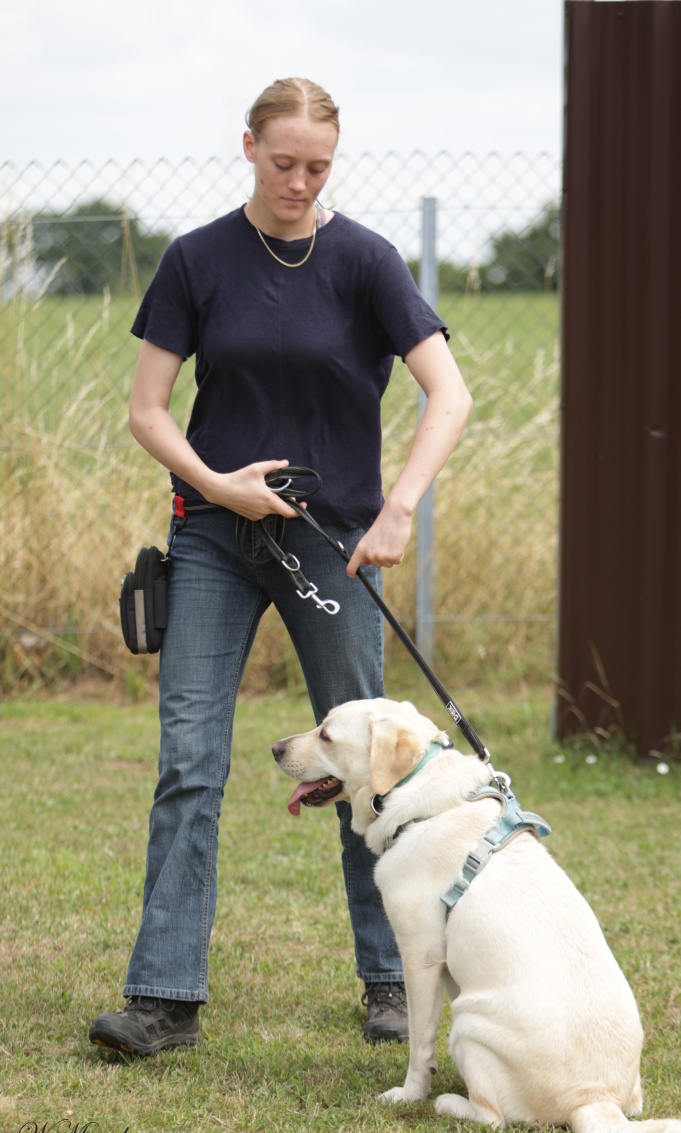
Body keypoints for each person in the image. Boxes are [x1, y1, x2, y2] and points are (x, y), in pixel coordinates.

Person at [88, 78, 472, 1056]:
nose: (299, 182)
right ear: (249, 146)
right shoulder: (196, 258)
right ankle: (163, 998)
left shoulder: (366, 262)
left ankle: (393, 984)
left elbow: (450, 394)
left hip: (332, 545)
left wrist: (396, 510)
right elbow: (146, 410)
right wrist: (215, 484)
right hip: (213, 538)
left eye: (318, 168)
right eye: (284, 162)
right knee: (189, 763)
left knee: (372, 768)